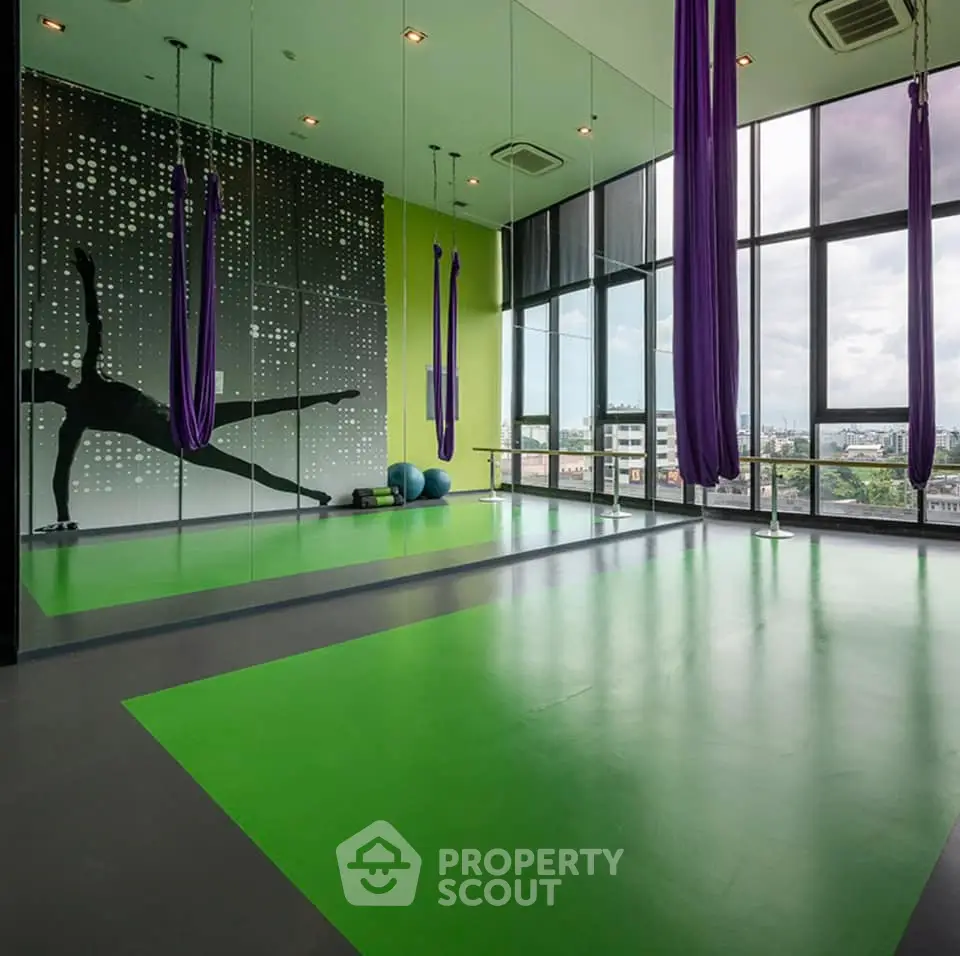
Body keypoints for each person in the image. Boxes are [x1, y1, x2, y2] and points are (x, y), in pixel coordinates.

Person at [21, 248, 359, 531]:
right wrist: (64, 517)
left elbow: (94, 324)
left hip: (188, 416)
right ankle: (313, 495)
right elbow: (60, 471)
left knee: (261, 406)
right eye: (44, 373)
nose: (49, 369)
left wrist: (88, 280)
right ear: (45, 389)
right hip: (179, 439)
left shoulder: (87, 387)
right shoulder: (80, 408)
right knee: (251, 470)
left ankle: (326, 399)